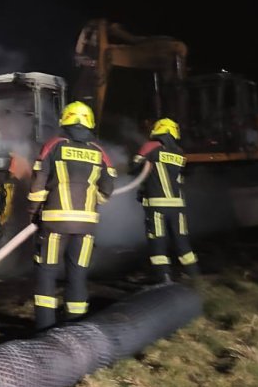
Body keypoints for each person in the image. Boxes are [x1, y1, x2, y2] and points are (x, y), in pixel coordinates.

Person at [26, 101, 117, 330]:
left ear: (65, 120)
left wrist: (34, 214)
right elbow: (108, 184)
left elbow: (38, 183)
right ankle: (77, 329)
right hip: (87, 225)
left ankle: (45, 329)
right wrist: (96, 199)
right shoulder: (99, 151)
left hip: (55, 222)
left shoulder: (54, 145)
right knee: (78, 274)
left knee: (47, 273)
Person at [130, 118, 198, 283]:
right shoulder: (179, 153)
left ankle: (164, 279)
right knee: (182, 243)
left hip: (157, 206)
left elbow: (135, 167)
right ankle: (195, 278)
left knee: (158, 244)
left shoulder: (151, 146)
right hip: (177, 207)